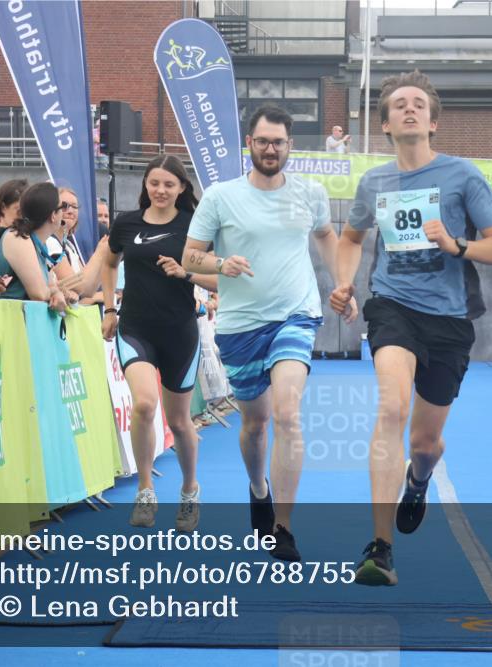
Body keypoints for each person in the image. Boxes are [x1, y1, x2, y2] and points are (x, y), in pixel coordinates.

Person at [330, 70, 492, 586]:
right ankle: (380, 546)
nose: (408, 110)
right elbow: (349, 239)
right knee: (391, 406)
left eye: (418, 105)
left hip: (449, 321)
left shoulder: (462, 176)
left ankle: (419, 479)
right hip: (392, 307)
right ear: (386, 124)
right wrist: (344, 282)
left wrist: (456, 245)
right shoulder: (374, 182)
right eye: (398, 105)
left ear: (433, 121)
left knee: (426, 443)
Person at [182, 105, 349, 562]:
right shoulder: (220, 196)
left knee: (288, 413)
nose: (270, 149)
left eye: (278, 142)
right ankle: (259, 489)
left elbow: (327, 237)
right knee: (255, 424)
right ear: (249, 145)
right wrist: (221, 263)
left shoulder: (310, 193)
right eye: (262, 141)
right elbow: (190, 257)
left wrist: (343, 284)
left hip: (296, 314)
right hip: (239, 327)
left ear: (290, 146)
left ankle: (283, 526)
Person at [102, 156, 218, 532]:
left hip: (179, 332)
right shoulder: (127, 223)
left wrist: (186, 273)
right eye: (154, 183)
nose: (161, 190)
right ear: (145, 185)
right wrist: (108, 308)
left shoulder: (193, 227)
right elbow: (108, 263)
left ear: (182, 188)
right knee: (145, 406)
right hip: (135, 327)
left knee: (181, 422)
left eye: (169, 184)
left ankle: (189, 492)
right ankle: (146, 490)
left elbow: (220, 279)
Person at [0, 182, 68, 312]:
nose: (65, 212)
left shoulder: (38, 243)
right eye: (63, 206)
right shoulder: (18, 238)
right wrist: (54, 292)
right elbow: (39, 293)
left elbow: (50, 284)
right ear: (53, 215)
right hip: (5, 324)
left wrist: (56, 292)